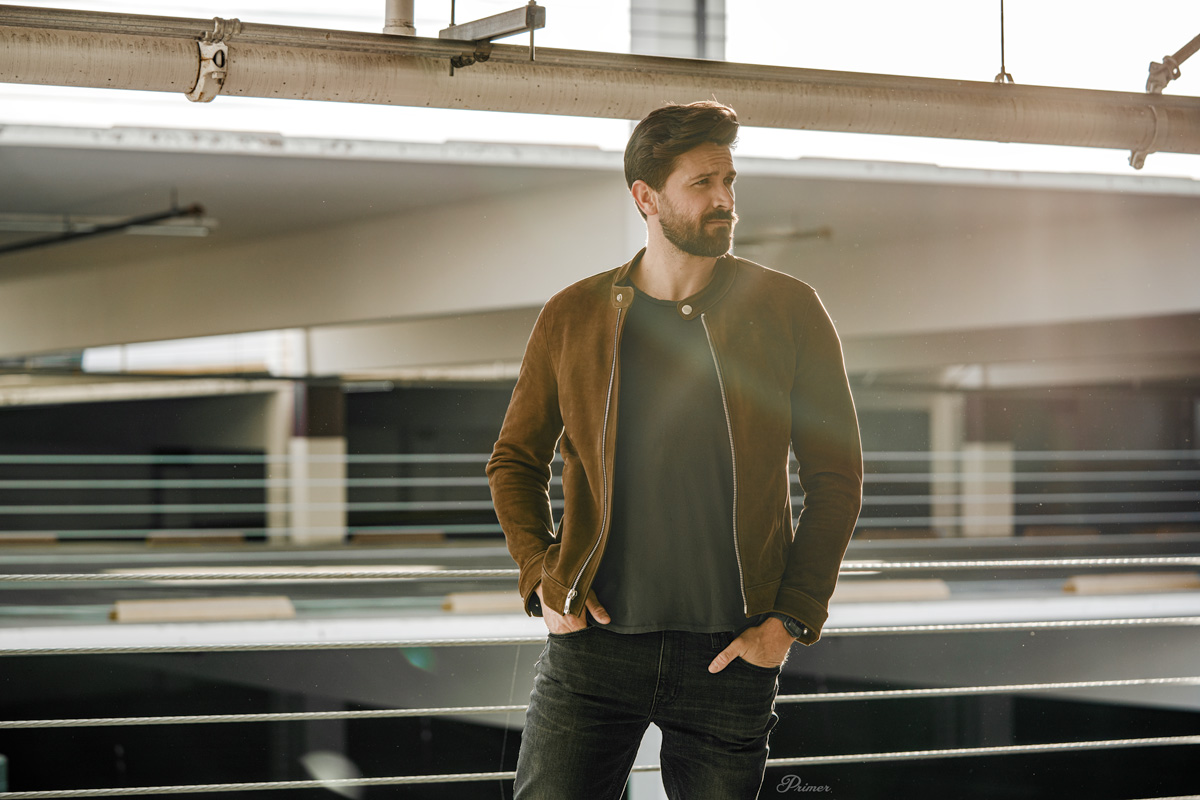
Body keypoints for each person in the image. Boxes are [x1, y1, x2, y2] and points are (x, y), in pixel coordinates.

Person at [486, 100, 863, 800]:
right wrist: (541, 573)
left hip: (731, 655)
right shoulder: (574, 315)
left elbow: (836, 477)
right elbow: (514, 459)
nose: (724, 201)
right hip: (592, 652)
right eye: (702, 183)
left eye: (730, 181)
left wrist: (788, 622)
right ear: (646, 197)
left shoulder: (789, 310)